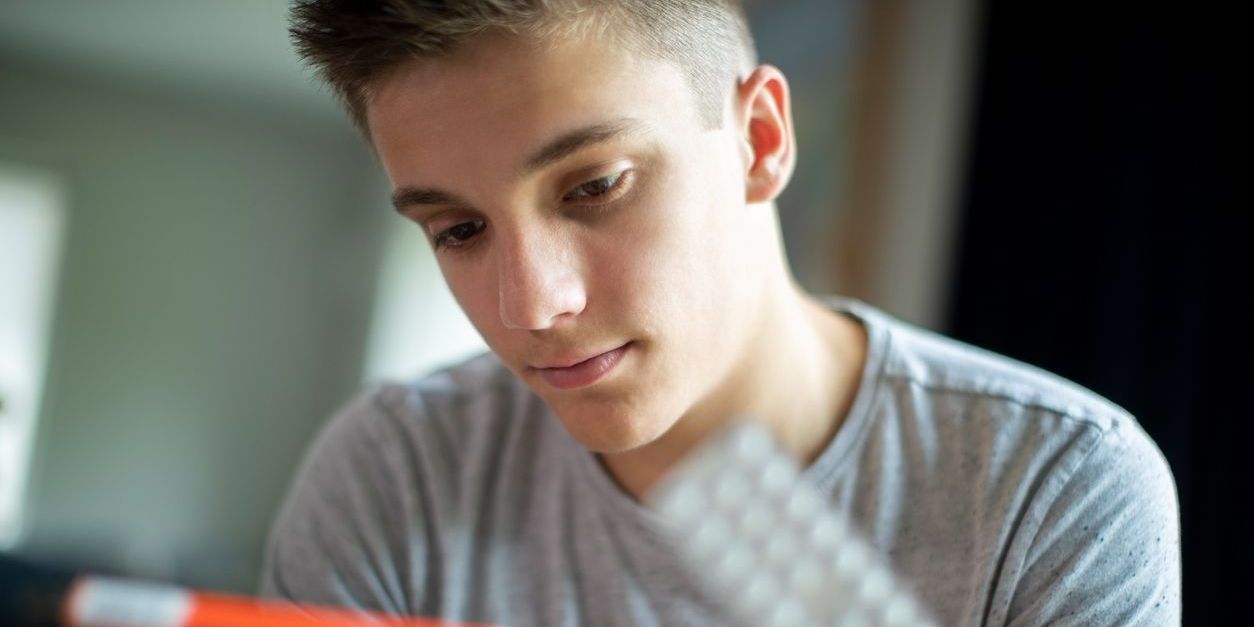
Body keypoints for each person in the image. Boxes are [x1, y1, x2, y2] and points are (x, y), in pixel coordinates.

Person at [261, 1, 1181, 625]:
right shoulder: (395, 478)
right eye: (459, 229)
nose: (533, 305)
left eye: (595, 187)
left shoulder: (1052, 489)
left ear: (761, 140)